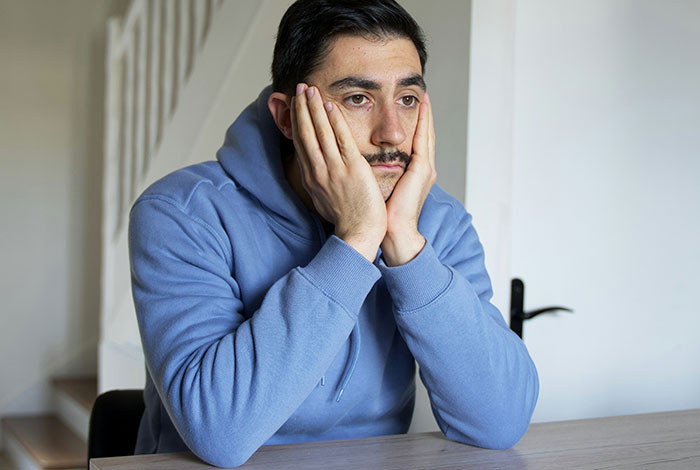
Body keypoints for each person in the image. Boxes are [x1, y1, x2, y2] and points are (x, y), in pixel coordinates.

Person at [128, 0, 539, 467]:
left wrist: (405, 245)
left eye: (407, 99)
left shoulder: (436, 220)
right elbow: (218, 432)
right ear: (287, 118)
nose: (392, 133)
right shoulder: (182, 213)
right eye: (358, 98)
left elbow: (500, 421)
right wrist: (358, 238)